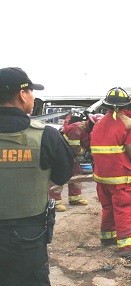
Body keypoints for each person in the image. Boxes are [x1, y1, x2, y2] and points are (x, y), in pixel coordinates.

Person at [0, 67, 73, 285]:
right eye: (31, 91)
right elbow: (62, 175)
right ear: (22, 95)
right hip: (28, 236)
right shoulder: (46, 135)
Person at [90, 87, 131, 257]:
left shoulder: (98, 124)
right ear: (125, 106)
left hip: (101, 177)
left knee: (108, 207)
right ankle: (126, 246)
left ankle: (108, 237)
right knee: (124, 208)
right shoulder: (127, 124)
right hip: (120, 177)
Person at [50, 113, 104, 212]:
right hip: (62, 151)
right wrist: (85, 154)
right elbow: (74, 146)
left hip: (71, 153)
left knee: (77, 172)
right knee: (60, 173)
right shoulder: (78, 128)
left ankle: (75, 197)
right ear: (91, 123)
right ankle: (55, 201)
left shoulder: (91, 131)